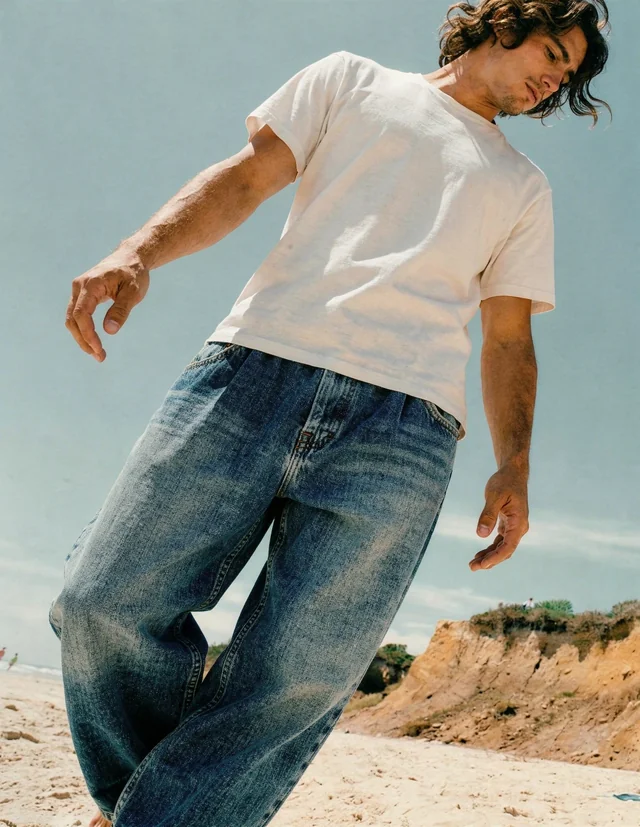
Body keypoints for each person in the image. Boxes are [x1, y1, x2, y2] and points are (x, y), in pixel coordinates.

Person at [48, 2, 611, 825]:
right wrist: (140, 249)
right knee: (103, 601)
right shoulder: (352, 79)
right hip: (252, 373)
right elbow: (246, 177)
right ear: (503, 23)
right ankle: (147, 805)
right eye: (554, 52)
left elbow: (508, 338)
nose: (554, 80)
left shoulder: (524, 186)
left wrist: (514, 464)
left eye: (567, 76)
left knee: (295, 677)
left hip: (404, 432)